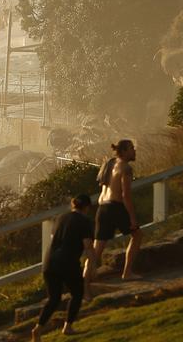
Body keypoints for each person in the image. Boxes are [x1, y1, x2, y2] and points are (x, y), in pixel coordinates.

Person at [32, 194, 95, 341]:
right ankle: (68, 327)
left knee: (54, 299)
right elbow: (88, 246)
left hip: (49, 262)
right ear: (86, 207)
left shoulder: (61, 217)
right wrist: (93, 265)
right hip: (67, 262)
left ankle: (38, 329)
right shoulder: (84, 221)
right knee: (77, 293)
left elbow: (55, 239)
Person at [87, 139, 143, 283]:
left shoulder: (109, 163)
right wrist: (132, 218)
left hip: (102, 207)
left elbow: (102, 184)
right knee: (137, 235)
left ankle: (84, 280)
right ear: (124, 151)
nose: (134, 151)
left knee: (97, 249)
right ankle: (127, 272)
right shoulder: (126, 168)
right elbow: (126, 195)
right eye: (131, 148)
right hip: (115, 206)